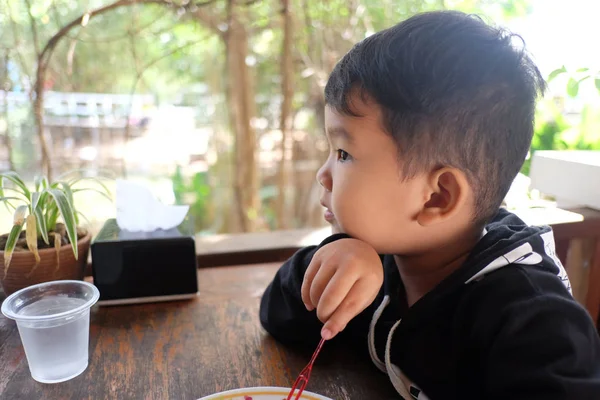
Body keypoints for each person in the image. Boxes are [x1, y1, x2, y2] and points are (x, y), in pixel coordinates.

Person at [259, 10, 600, 400]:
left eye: (343, 152)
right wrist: (338, 256)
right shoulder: (387, 261)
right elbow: (279, 315)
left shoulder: (535, 327)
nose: (323, 173)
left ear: (437, 197)